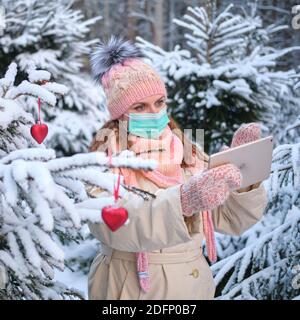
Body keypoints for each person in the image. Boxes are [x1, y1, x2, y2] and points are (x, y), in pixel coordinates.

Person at [85, 35, 268, 300]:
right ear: (120, 113)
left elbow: (229, 220)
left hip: (192, 288)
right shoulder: (104, 157)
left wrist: (245, 176)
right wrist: (183, 201)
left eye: (160, 102)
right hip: (129, 288)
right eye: (140, 106)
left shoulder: (187, 152)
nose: (155, 112)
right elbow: (114, 225)